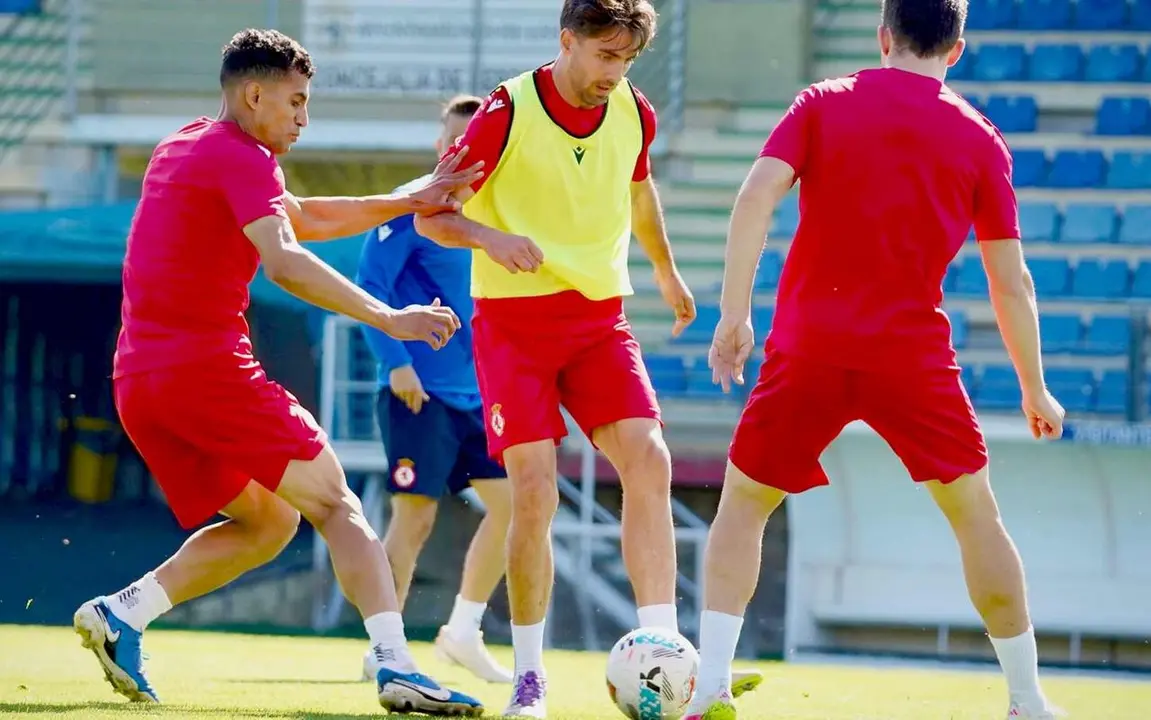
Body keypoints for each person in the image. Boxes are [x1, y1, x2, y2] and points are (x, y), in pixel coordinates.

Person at [72, 28, 487, 716]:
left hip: (141, 383)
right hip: (205, 370)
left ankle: (124, 614)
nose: (303, 117)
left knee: (269, 524)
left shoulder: (188, 143)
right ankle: (397, 666)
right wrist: (391, 318)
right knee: (336, 504)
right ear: (254, 93)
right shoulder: (243, 157)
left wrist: (405, 199)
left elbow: (302, 217)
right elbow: (286, 260)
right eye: (295, 102)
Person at [684, 2, 1066, 719]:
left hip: (809, 346)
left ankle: (707, 692)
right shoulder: (980, 138)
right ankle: (1026, 699)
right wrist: (1034, 388)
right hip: (910, 359)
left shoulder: (823, 103)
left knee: (743, 506)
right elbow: (1009, 280)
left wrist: (733, 317)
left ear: (881, 34)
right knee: (975, 518)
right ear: (957, 48)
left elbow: (754, 196)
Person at [414, 1, 762, 716]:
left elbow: (638, 190)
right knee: (534, 492)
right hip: (513, 325)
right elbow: (432, 215)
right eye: (604, 55)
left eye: (627, 60)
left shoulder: (634, 110)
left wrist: (665, 272)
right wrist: (490, 238)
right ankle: (530, 679)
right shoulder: (506, 110)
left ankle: (661, 650)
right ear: (566, 40)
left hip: (598, 319)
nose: (615, 73)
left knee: (649, 458)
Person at [355, 94, 513, 685]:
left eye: (470, 141)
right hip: (417, 393)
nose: (459, 150)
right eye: (451, 139)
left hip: (482, 396)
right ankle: (385, 645)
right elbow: (370, 283)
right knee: (414, 517)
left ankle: (462, 632)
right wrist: (396, 363)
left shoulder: (498, 208)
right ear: (437, 142)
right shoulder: (412, 204)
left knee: (516, 509)